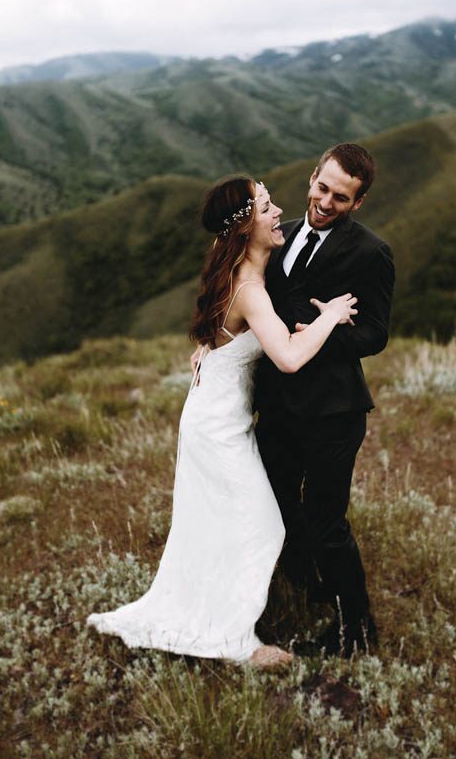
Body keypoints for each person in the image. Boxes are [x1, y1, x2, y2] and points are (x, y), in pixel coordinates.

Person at [87, 176, 358, 667]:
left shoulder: (235, 265)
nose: (279, 211)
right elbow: (290, 358)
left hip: (215, 415)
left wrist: (206, 349)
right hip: (216, 427)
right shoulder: (250, 288)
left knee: (224, 523)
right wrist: (332, 315)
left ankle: (219, 613)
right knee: (260, 526)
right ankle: (234, 641)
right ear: (246, 227)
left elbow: (219, 326)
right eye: (267, 207)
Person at [254, 142, 395, 658]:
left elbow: (376, 334)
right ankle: (310, 593)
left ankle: (357, 631)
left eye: (341, 197)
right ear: (311, 177)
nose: (325, 202)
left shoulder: (371, 252)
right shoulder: (280, 234)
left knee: (327, 522)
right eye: (322, 187)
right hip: (276, 406)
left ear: (358, 203)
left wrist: (323, 328)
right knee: (280, 506)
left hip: (333, 411)